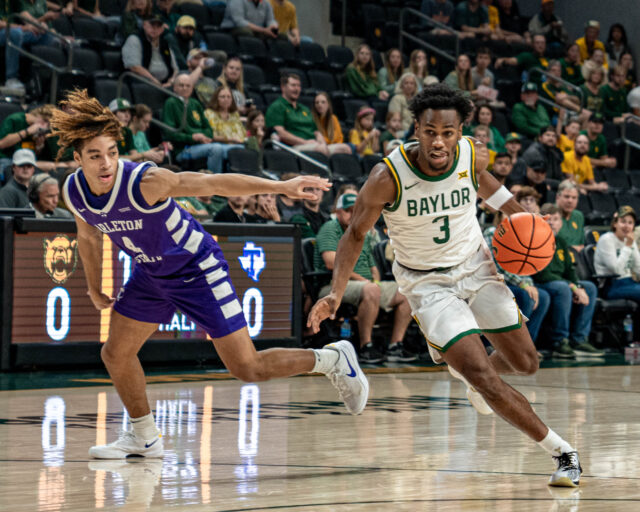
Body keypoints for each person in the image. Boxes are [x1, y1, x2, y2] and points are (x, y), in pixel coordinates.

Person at [50, 89, 368, 459]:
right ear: (77, 159)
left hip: (196, 268)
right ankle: (145, 437)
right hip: (151, 273)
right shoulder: (73, 191)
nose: (106, 163)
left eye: (112, 153)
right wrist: (92, 285)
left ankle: (333, 359)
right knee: (116, 354)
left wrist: (280, 187)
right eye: (94, 156)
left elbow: (214, 183)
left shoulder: (145, 181)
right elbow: (87, 236)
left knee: (248, 368)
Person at [308, 83, 583, 487]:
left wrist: (515, 214)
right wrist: (336, 292)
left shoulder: (472, 153)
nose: (439, 141)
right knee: (485, 378)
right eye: (430, 131)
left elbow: (483, 179)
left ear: (459, 132)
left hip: (476, 266)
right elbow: (354, 236)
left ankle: (477, 382)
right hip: (426, 284)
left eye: (448, 133)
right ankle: (563, 453)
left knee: (527, 363)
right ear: (415, 129)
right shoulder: (388, 176)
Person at [314, 192, 415, 364]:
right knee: (371, 289)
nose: (353, 214)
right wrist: (364, 281)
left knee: (407, 291)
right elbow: (331, 262)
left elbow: (372, 265)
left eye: (356, 210)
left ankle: (395, 346)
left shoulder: (363, 232)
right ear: (337, 212)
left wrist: (375, 279)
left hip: (366, 284)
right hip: (333, 285)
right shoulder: (330, 228)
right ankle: (365, 346)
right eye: (348, 210)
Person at [533, 203, 602, 357]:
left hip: (560, 282)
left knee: (589, 287)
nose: (551, 223)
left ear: (561, 223)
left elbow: (570, 271)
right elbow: (542, 275)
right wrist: (572, 286)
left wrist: (576, 285)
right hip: (542, 283)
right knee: (563, 288)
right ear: (540, 221)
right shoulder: (535, 241)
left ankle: (579, 339)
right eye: (548, 219)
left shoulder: (561, 242)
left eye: (556, 219)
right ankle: (559, 341)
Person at [266, 73, 350, 156]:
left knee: (345, 149)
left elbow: (316, 132)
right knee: (320, 149)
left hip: (314, 145)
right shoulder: (277, 107)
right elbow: (281, 133)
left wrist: (322, 144)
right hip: (293, 148)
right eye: (293, 85)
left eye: (298, 86)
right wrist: (305, 142)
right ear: (283, 87)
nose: (296, 89)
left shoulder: (304, 109)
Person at [161, 73, 226, 173]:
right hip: (183, 149)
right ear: (174, 88)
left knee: (234, 149)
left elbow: (209, 129)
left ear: (192, 88)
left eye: (188, 86)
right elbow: (170, 133)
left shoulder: (195, 103)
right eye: (181, 85)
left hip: (201, 144)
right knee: (216, 149)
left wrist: (203, 137)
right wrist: (193, 137)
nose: (185, 88)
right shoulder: (171, 103)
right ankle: (215, 183)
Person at [594, 206, 640, 310]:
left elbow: (638, 268)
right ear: (615, 223)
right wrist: (628, 246)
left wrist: (630, 245)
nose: (627, 226)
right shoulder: (606, 240)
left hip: (630, 282)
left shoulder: (629, 240)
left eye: (630, 222)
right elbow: (616, 270)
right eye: (623, 221)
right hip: (611, 286)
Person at [122, 14, 179, 88]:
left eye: (158, 26)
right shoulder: (134, 39)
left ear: (162, 28)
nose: (155, 29)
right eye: (152, 25)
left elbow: (175, 68)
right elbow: (134, 67)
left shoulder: (164, 43)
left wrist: (172, 81)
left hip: (166, 84)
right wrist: (153, 80)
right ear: (144, 25)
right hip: (142, 82)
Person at [203, 86, 246, 154]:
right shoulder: (209, 113)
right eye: (223, 97)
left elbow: (243, 134)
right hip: (219, 146)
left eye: (229, 97)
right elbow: (210, 136)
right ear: (216, 99)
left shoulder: (234, 114)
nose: (226, 99)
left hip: (239, 145)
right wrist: (231, 140)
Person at [108, 98, 144, 162]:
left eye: (129, 112)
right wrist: (144, 155)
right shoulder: (105, 132)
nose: (127, 115)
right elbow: (113, 157)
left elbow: (135, 155)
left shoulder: (127, 131)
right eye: (123, 111)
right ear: (112, 114)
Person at [555, 180, 585, 251]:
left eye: (574, 198)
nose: (570, 201)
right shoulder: (550, 214)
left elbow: (581, 245)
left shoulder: (579, 216)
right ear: (557, 197)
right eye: (566, 196)